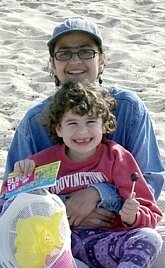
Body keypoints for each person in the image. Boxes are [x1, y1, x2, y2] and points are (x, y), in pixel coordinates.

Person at [3, 17, 165, 266]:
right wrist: (66, 208)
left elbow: (149, 183)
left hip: (116, 233)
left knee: (153, 243)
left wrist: (100, 195)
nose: (75, 61)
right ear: (52, 64)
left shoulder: (129, 109)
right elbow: (12, 201)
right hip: (57, 238)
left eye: (86, 52)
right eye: (64, 53)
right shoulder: (35, 121)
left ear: (102, 60)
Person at [13, 81, 163, 267]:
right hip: (59, 244)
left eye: (91, 122)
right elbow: (10, 208)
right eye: (72, 123)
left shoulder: (117, 157)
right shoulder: (42, 162)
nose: (82, 131)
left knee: (151, 238)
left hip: (107, 242)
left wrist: (132, 216)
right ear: (59, 129)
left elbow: (151, 212)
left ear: (104, 125)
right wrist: (20, 176)